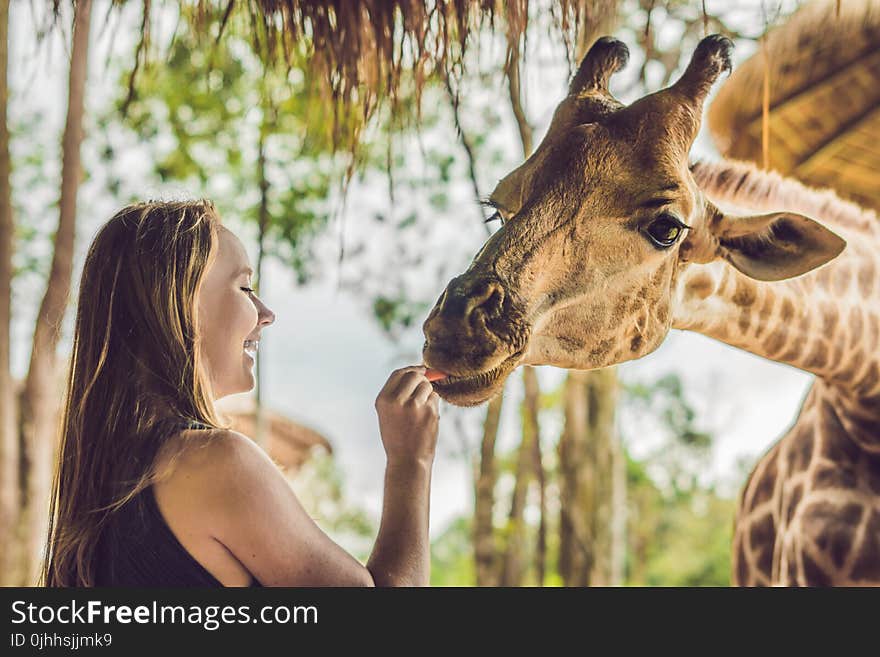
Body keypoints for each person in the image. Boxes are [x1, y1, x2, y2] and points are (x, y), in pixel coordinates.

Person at [40, 200, 440, 587]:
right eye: (245, 287)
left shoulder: (101, 481)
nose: (266, 313)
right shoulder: (213, 462)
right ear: (180, 301)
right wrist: (410, 462)